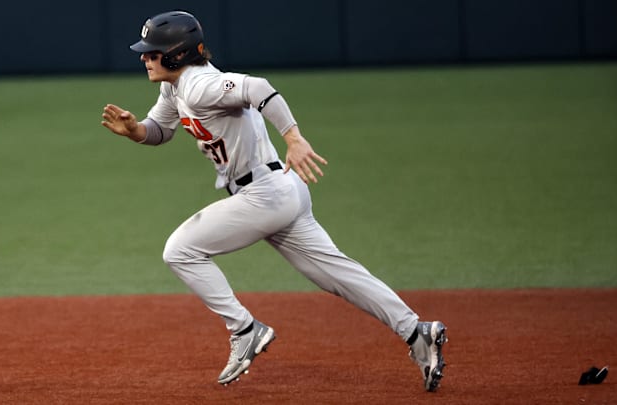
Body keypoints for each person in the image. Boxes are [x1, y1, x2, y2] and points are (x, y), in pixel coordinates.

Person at [101, 10, 447, 392]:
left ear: (177, 55)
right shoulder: (175, 87)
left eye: (152, 52)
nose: (144, 57)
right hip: (280, 191)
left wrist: (294, 137)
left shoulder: (199, 84)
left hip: (265, 193)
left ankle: (244, 329)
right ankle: (417, 332)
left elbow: (259, 88)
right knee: (338, 276)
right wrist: (135, 131)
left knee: (180, 251)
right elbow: (160, 130)